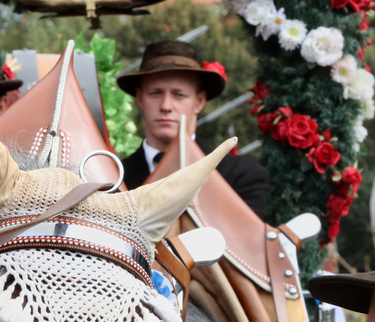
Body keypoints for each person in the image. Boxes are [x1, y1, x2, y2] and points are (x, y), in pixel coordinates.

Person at [115, 40, 269, 217]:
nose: (166, 106)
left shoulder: (240, 177)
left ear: (199, 101)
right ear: (140, 98)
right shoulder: (113, 179)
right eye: (155, 93)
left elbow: (245, 242)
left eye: (179, 95)